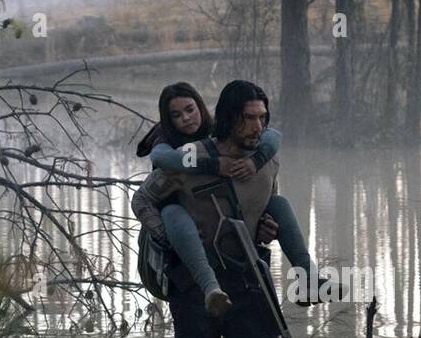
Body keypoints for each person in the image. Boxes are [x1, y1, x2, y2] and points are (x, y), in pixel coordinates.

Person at [138, 80, 294, 338]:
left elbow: (269, 206)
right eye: (247, 119)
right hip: (192, 288)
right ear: (229, 118)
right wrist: (165, 236)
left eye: (262, 118)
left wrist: (267, 228)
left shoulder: (268, 157)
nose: (256, 127)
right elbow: (142, 199)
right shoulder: (186, 158)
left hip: (245, 281)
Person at [132, 82, 316, 317]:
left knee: (279, 204)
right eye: (176, 115)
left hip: (238, 256)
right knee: (171, 212)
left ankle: (309, 277)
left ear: (200, 106)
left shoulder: (228, 133)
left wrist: (255, 163)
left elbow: (272, 138)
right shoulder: (167, 143)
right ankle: (210, 287)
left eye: (191, 109)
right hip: (182, 238)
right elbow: (156, 170)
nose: (187, 119)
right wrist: (213, 164)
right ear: (168, 120)